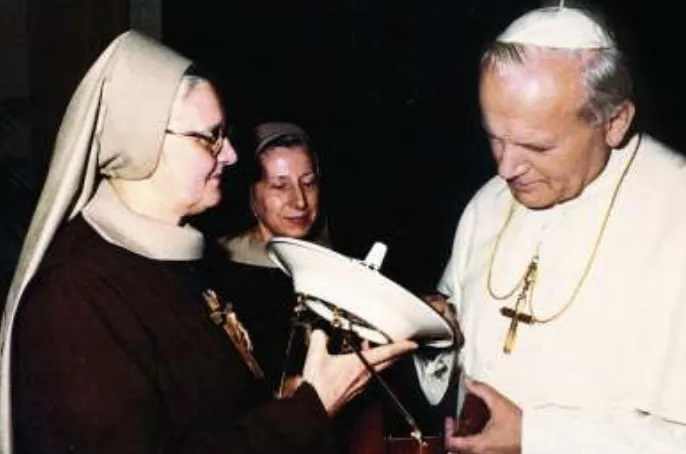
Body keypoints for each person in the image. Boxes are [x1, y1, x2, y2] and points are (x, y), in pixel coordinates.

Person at [0, 30, 416, 454]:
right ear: (142, 141)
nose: (231, 154)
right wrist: (310, 409)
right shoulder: (74, 294)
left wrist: (289, 401)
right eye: (210, 137)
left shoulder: (173, 261)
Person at [429, 5, 686, 454]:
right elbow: (462, 355)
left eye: (537, 146)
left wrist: (536, 437)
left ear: (614, 122)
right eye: (495, 138)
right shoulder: (488, 204)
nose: (506, 168)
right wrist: (434, 330)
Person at [210, 121, 328, 395]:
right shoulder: (215, 267)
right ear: (251, 193)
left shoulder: (336, 266)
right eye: (279, 186)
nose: (300, 201)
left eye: (308, 183)